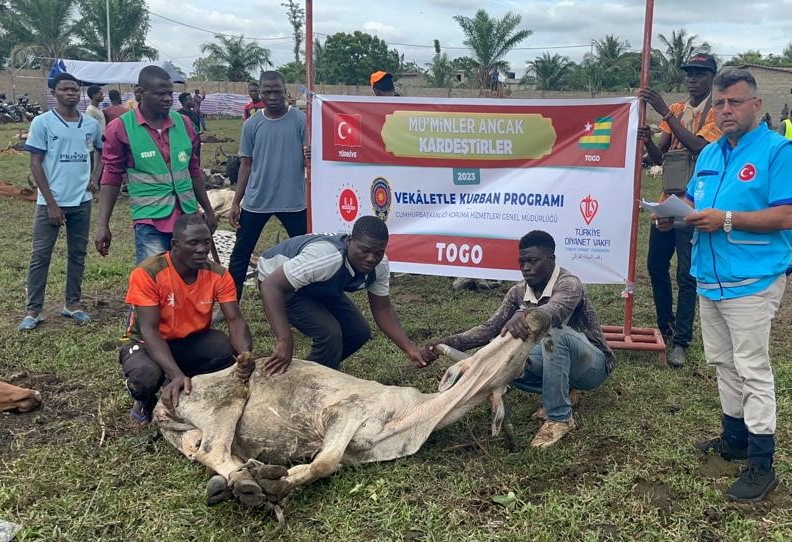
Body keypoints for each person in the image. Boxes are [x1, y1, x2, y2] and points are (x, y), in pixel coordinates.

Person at [682, 68, 792, 502]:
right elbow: (698, 203)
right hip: (708, 277)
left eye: (735, 102)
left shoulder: (778, 152)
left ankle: (761, 463)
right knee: (722, 362)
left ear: (756, 105)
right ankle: (733, 439)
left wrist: (727, 220)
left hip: (752, 280)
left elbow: (787, 216)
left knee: (752, 367)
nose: (726, 110)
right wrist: (672, 214)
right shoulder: (710, 154)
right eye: (719, 103)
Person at [421, 230, 614, 448]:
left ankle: (560, 418)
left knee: (554, 333)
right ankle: (566, 391)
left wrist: (524, 314)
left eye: (533, 261)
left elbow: (552, 313)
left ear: (551, 260)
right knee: (502, 358)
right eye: (521, 262)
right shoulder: (518, 292)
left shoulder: (569, 284)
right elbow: (488, 329)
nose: (525, 267)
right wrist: (447, 342)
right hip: (556, 361)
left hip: (593, 365)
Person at [120, 214, 252, 424]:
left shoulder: (218, 274)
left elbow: (235, 320)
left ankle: (186, 384)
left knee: (222, 348)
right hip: (147, 343)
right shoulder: (148, 273)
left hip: (190, 341)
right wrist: (175, 374)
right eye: (193, 243)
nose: (202, 249)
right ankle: (145, 402)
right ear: (175, 244)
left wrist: (246, 355)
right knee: (144, 377)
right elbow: (149, 330)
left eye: (206, 242)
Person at [637, 53, 722, 367]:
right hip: (667, 200)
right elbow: (660, 159)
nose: (692, 79)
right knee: (656, 267)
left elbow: (700, 148)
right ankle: (665, 326)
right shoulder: (676, 110)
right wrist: (648, 142)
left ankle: (682, 341)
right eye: (689, 73)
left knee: (686, 274)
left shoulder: (716, 113)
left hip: (697, 205)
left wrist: (664, 114)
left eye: (700, 73)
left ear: (712, 77)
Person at [257, 216, 427, 374]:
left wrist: (409, 348)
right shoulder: (328, 257)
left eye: (378, 252)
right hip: (278, 283)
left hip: (317, 283)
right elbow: (271, 286)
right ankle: (312, 379)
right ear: (351, 241)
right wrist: (284, 340)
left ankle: (317, 370)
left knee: (359, 331)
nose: (371, 258)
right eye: (365, 250)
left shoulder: (380, 265)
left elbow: (382, 309)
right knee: (330, 334)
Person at [96, 65, 218, 264]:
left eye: (170, 93)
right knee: (155, 280)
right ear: (140, 93)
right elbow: (111, 178)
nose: (168, 98)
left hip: (187, 217)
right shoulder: (120, 129)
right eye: (161, 94)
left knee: (189, 280)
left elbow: (193, 170)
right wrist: (103, 224)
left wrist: (208, 211)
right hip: (150, 219)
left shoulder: (185, 124)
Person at [18, 72, 103, 331]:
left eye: (75, 89)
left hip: (82, 200)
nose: (71, 93)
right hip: (50, 202)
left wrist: (95, 177)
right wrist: (52, 203)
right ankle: (34, 310)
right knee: (41, 255)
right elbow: (35, 163)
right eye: (65, 89)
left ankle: (72, 304)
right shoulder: (43, 123)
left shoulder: (90, 124)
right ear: (54, 93)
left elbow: (101, 150)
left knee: (77, 254)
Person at [228, 71, 308, 301]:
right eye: (267, 91)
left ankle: (308, 301)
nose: (272, 96)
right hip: (256, 201)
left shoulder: (301, 121)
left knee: (306, 253)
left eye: (277, 91)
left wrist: (310, 154)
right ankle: (231, 303)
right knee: (241, 253)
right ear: (260, 92)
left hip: (293, 202)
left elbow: (311, 159)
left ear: (286, 92)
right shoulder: (252, 124)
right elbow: (246, 164)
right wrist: (236, 201)